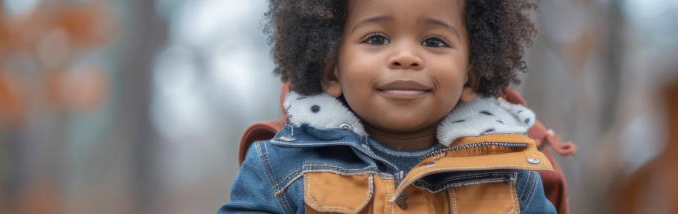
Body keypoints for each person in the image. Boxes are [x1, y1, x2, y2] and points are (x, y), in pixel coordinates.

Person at [219, 0, 557, 213]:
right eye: (376, 38)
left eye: (433, 41)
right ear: (330, 71)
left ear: (470, 78)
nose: (406, 57)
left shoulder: (510, 176)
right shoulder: (279, 168)